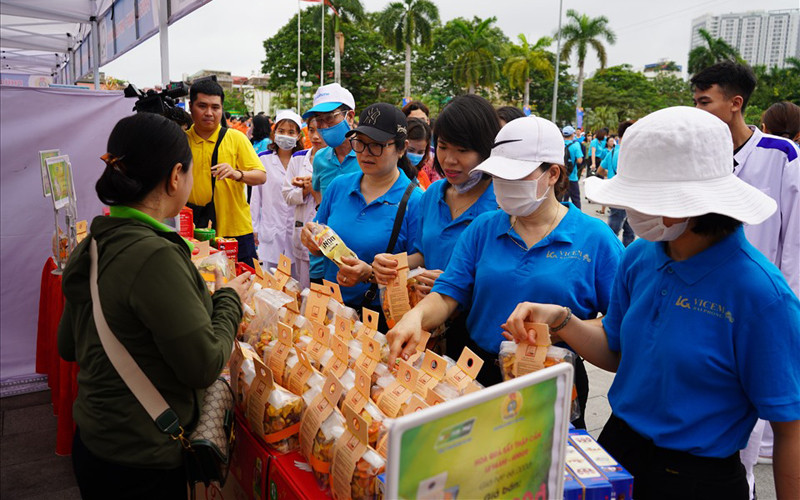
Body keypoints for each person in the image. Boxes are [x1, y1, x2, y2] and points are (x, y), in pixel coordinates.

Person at [510, 106, 800, 499]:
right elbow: (618, 352)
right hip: (619, 448)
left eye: (642, 198)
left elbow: (789, 428)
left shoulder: (759, 295)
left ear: (694, 202)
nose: (630, 211)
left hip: (697, 477)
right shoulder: (641, 256)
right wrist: (563, 321)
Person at [58, 113, 252, 499]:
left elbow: (69, 344)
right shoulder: (154, 255)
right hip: (140, 457)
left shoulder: (95, 242)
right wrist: (229, 299)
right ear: (175, 175)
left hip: (96, 439)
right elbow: (203, 364)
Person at [387, 116, 623, 429]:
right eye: (499, 176)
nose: (503, 187)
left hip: (549, 375)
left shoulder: (595, 239)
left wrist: (565, 324)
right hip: (477, 370)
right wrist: (415, 318)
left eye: (516, 177)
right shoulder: (483, 228)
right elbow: (448, 293)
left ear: (552, 173)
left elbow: (617, 328)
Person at [692, 63, 800, 496]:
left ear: (735, 104)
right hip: (701, 311)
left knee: (747, 440)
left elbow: (792, 246)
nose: (697, 111)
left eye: (705, 102)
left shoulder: (781, 156)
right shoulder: (699, 156)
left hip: (758, 314)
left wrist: (785, 318)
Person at [374, 94, 500, 359]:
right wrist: (393, 264)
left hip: (477, 336)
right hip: (431, 327)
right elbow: (423, 252)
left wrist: (452, 287)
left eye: (462, 151)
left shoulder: (500, 206)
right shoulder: (433, 194)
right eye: (443, 147)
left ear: (486, 151)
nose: (449, 160)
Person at [301, 103, 422, 322]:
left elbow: (420, 262)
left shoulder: (414, 201)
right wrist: (311, 239)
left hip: (377, 317)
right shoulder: (339, 186)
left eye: (376, 146)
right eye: (360, 144)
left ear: (401, 148)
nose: (366, 153)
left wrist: (370, 274)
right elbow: (321, 238)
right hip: (330, 307)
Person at [186, 78, 266, 264]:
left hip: (235, 231)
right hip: (195, 232)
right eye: (202, 106)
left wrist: (237, 174)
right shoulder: (182, 140)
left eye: (215, 107)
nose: (209, 113)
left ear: (222, 109)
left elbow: (261, 176)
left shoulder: (236, 138)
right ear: (191, 106)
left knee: (244, 284)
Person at [303, 83, 360, 284]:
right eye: (319, 120)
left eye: (330, 118)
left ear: (350, 117)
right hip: (324, 259)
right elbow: (320, 200)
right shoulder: (320, 159)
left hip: (359, 262)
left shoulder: (368, 157)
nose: (324, 126)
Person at [250, 110, 305, 274]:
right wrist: (254, 226)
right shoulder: (264, 159)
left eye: (291, 132)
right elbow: (255, 198)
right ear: (274, 133)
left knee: (297, 286)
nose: (285, 135)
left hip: (296, 232)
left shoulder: (304, 160)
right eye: (281, 131)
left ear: (299, 135)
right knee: (270, 283)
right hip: (270, 231)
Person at [281, 116, 326, 288]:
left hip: (326, 236)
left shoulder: (337, 163)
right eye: (312, 130)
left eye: (320, 131)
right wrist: (305, 190)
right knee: (303, 287)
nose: (315, 136)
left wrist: (315, 189)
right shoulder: (299, 158)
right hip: (302, 230)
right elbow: (287, 195)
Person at [601, 120, 635, 246]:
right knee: (629, 233)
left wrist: (611, 178)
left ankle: (610, 255)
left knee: (612, 231)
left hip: (615, 195)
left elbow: (600, 170)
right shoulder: (632, 154)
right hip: (630, 197)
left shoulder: (612, 152)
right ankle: (626, 258)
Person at [406, 118, 433, 190]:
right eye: (410, 150)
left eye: (420, 152)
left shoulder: (422, 176)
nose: (415, 156)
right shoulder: (389, 174)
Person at [562, 125, 584, 209]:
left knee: (562, 198)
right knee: (576, 199)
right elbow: (579, 160)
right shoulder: (576, 145)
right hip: (572, 177)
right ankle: (577, 217)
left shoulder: (560, 144)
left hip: (561, 176)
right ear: (572, 135)